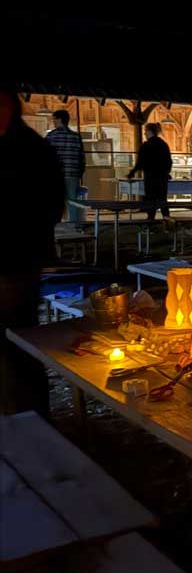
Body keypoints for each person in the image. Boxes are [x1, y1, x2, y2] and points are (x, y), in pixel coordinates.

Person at [0, 86, 64, 413]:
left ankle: (30, 416)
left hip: (17, 262)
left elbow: (52, 206)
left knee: (18, 342)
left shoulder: (32, 150)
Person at [46, 108, 86, 228]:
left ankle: (56, 225)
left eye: (54, 119)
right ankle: (75, 226)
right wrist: (80, 173)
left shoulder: (51, 136)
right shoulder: (76, 137)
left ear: (59, 120)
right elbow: (82, 157)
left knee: (56, 201)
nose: (53, 122)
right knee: (73, 201)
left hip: (55, 174)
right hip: (72, 174)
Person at [127, 123, 172, 220]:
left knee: (151, 199)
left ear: (150, 131)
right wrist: (166, 173)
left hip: (150, 177)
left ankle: (151, 222)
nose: (144, 133)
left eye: (146, 131)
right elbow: (169, 161)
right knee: (162, 199)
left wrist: (132, 172)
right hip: (162, 178)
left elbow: (140, 162)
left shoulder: (146, 145)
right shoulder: (163, 144)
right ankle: (167, 221)